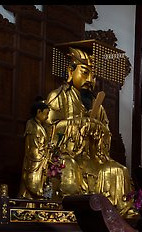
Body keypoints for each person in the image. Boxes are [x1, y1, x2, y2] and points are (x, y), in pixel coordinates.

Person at [45, 43, 136, 218]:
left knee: (118, 170)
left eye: (93, 75)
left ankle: (117, 213)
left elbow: (107, 135)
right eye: (85, 72)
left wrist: (98, 130)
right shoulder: (58, 97)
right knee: (69, 168)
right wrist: (77, 124)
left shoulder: (97, 106)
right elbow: (50, 129)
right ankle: (77, 213)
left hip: (93, 156)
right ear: (70, 72)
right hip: (68, 154)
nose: (90, 80)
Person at [18, 98, 52, 200]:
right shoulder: (31, 125)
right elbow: (32, 148)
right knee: (32, 182)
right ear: (38, 112)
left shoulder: (41, 126)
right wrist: (44, 154)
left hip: (42, 159)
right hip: (35, 160)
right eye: (46, 114)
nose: (47, 117)